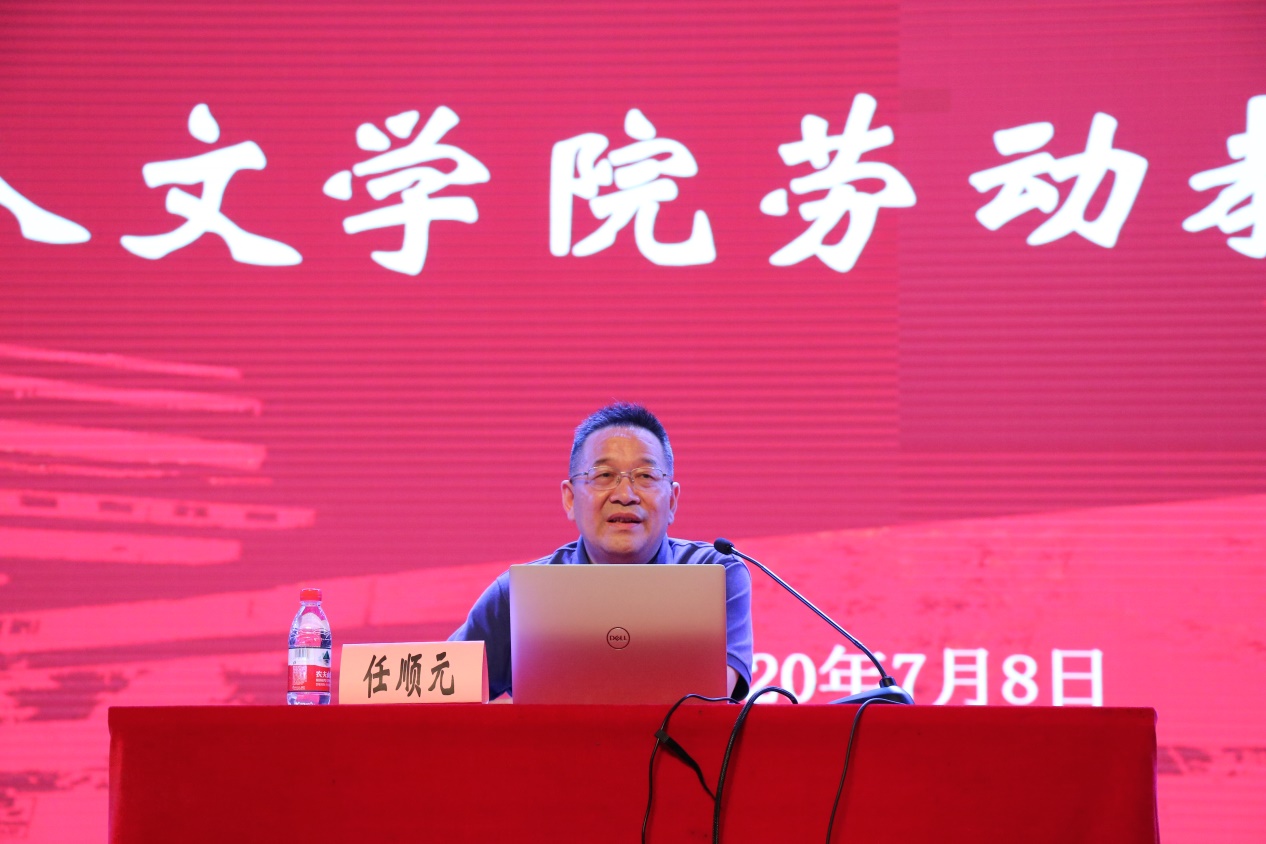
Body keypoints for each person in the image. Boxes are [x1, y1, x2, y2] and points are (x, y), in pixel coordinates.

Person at [449, 402, 753, 700]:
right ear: (570, 499)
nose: (625, 495)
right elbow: (440, 690)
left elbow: (712, 698)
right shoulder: (520, 593)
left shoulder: (715, 576)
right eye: (604, 475)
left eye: (646, 476)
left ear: (672, 501)